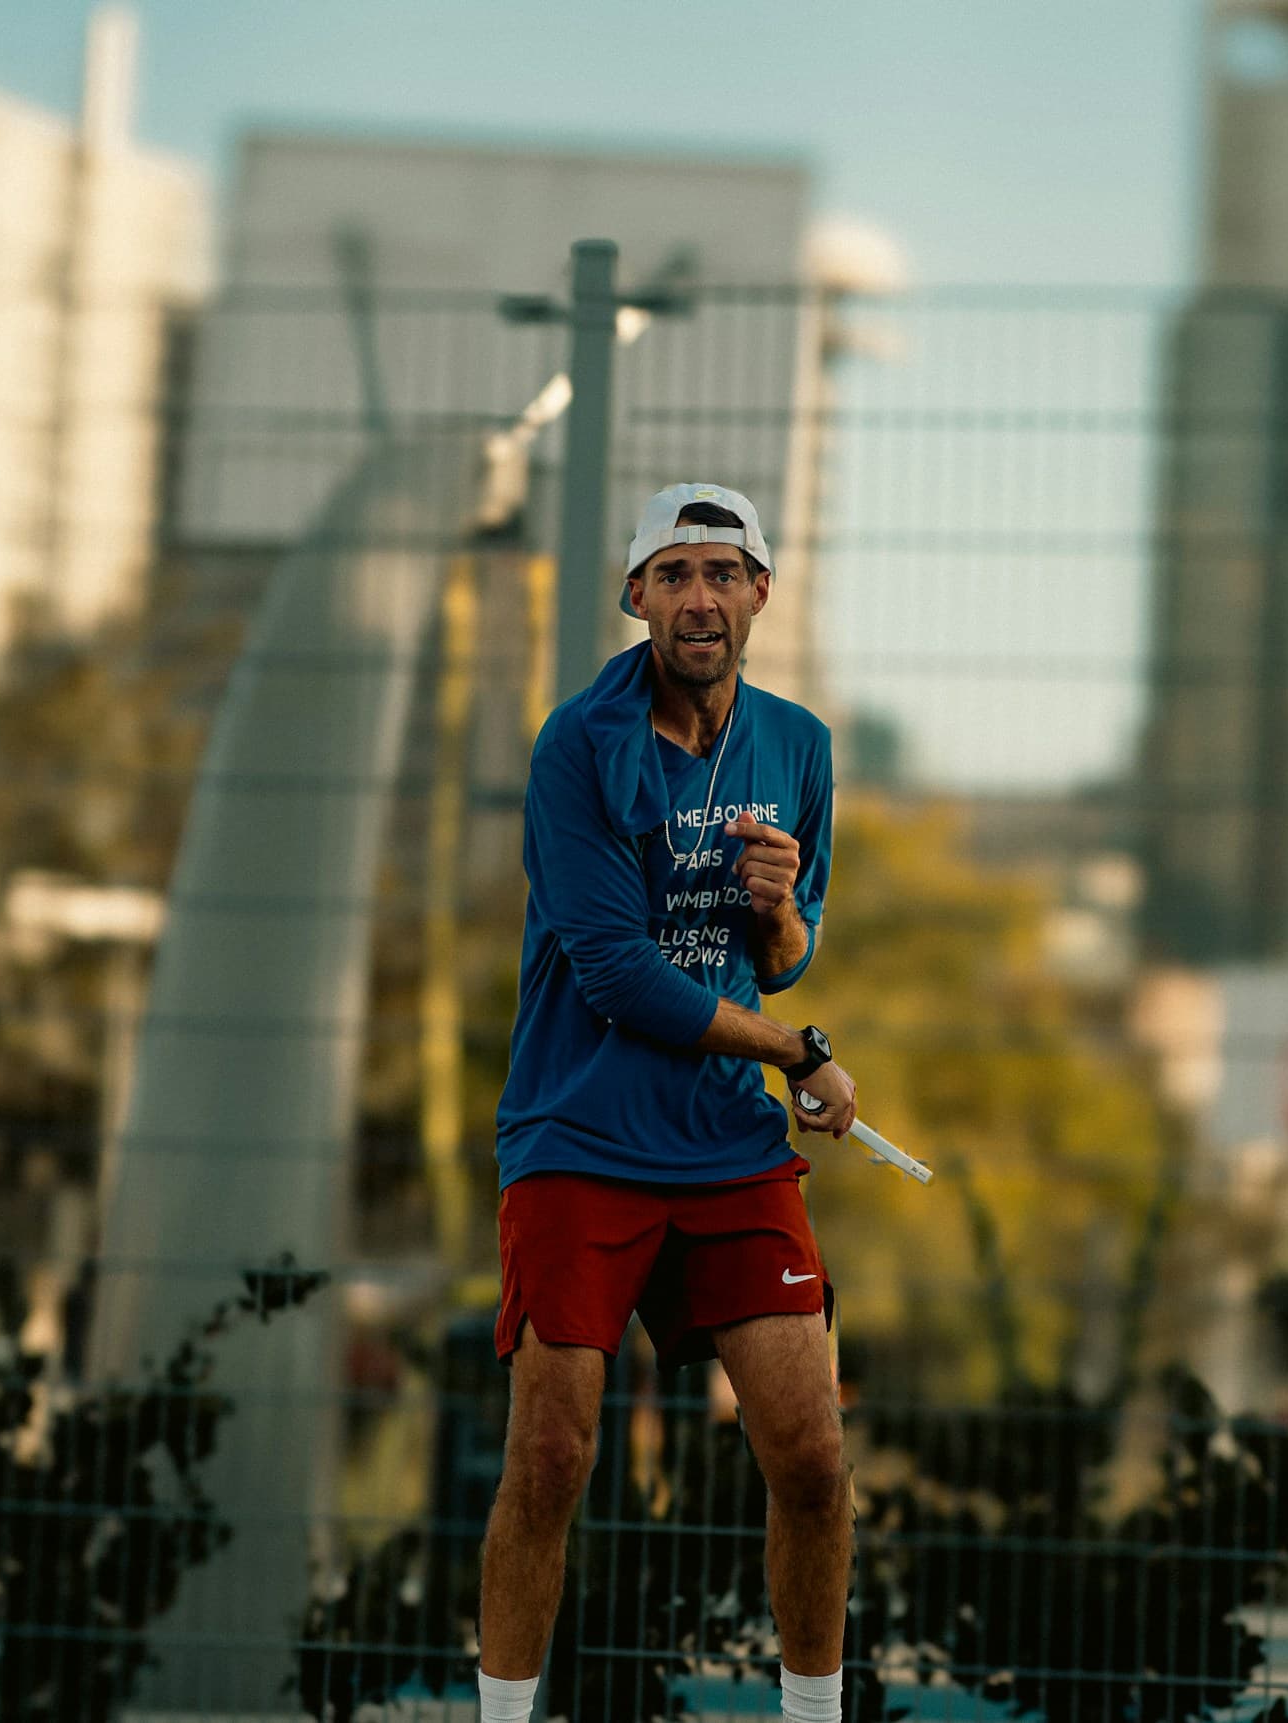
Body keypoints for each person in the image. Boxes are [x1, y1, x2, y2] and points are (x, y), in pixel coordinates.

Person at [476, 483, 858, 1723]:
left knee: (809, 1455)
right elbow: (624, 978)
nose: (701, 596)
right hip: (578, 1137)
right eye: (674, 573)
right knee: (552, 1457)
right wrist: (800, 1054)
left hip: (722, 1146)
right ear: (636, 599)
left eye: (723, 571)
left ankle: (810, 1716)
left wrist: (778, 910)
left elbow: (786, 952)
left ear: (760, 594)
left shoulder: (798, 744)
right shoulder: (577, 742)